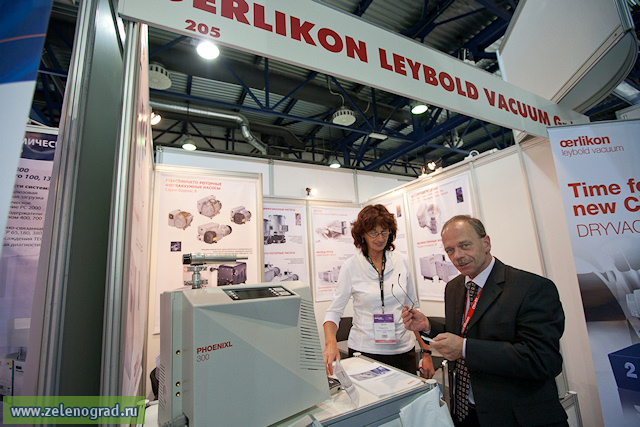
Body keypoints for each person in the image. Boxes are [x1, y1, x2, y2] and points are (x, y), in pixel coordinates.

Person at [401, 215, 567, 427]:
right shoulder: (454, 287)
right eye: (450, 250)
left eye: (465, 245)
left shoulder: (531, 288)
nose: (457, 256)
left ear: (486, 243)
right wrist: (429, 326)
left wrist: (465, 349)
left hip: (516, 417)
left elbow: (542, 359)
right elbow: (465, 331)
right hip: (466, 412)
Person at [323, 204, 435, 378]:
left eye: (384, 232)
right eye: (373, 233)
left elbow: (413, 308)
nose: (380, 238)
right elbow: (333, 312)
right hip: (365, 352)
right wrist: (331, 344)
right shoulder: (351, 266)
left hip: (402, 350)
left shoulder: (401, 261)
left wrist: (426, 352)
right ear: (362, 234)